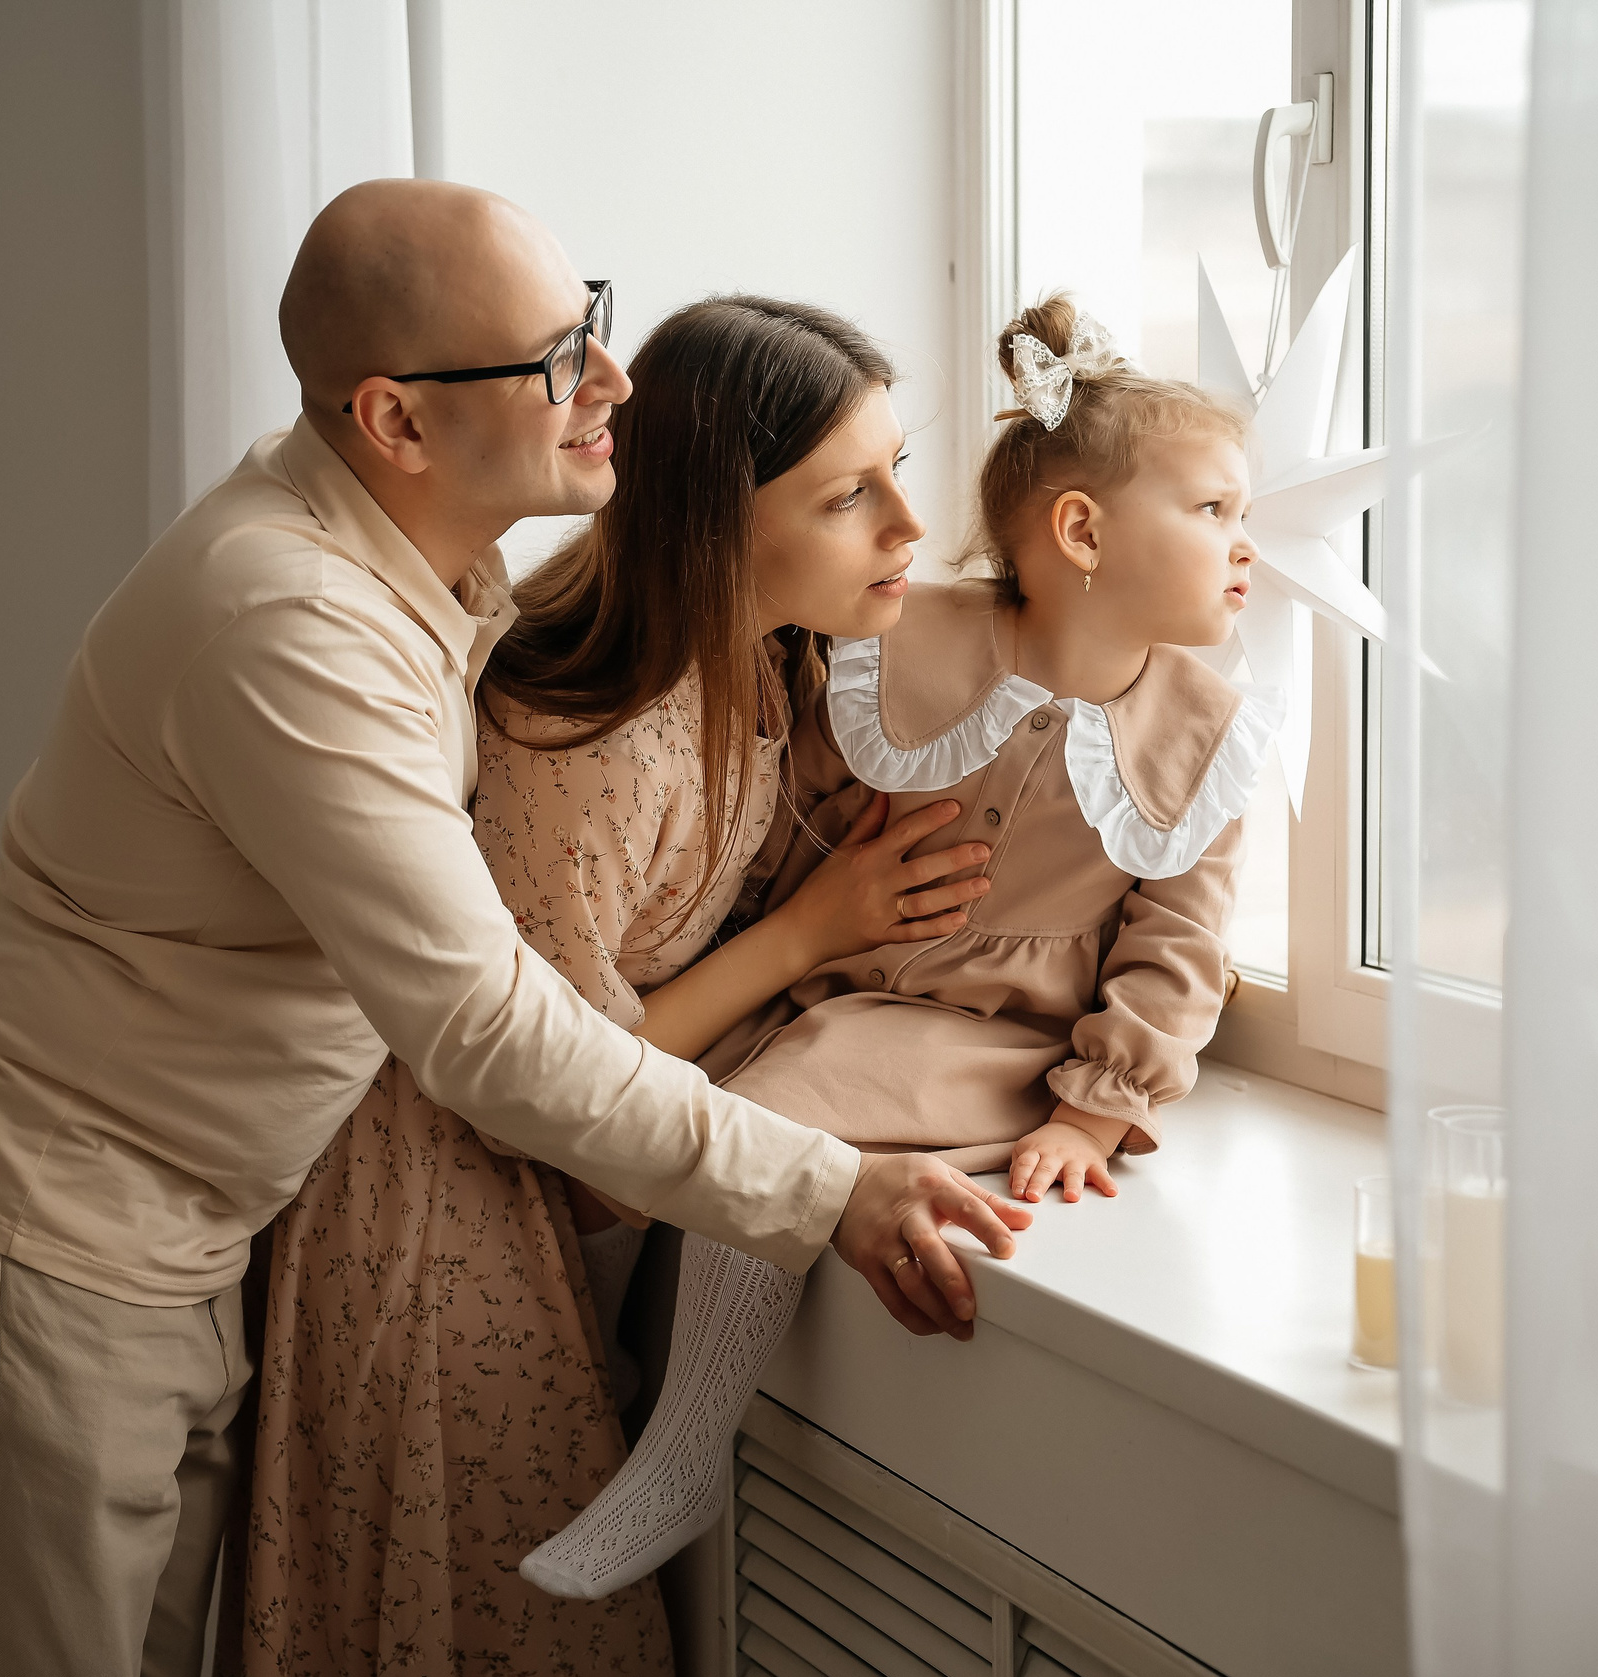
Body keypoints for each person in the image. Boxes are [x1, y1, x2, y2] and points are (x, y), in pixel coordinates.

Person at [0, 178, 1027, 1677]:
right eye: (551, 360)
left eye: (588, 322)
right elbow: (487, 1027)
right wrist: (830, 1189)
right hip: (40, 1216)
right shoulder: (291, 625)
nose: (613, 381)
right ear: (395, 421)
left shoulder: (431, 577)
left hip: (185, 1218)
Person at [219, 295, 993, 1677]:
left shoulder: (764, 661)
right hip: (441, 1214)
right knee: (502, 1640)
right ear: (714, 523)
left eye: (898, 471)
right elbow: (538, 1083)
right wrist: (805, 937)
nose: (908, 527)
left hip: (566, 1205)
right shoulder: (595, 743)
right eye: (849, 495)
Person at [521, 294, 1279, 1601]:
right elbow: (796, 809)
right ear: (1083, 532)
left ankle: (682, 1452)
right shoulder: (906, 636)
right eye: (1215, 512)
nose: (1244, 546)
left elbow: (1180, 953)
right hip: (820, 990)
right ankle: (583, 1388)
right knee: (611, 1158)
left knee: (763, 1136)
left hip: (980, 1042)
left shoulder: (1206, 732)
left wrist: (1095, 1116)